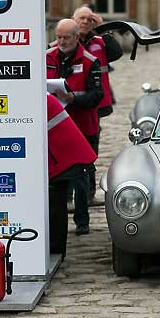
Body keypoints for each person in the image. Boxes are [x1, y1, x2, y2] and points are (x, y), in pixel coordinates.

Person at [46, 19, 103, 235]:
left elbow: (96, 95)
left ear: (76, 37)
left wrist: (72, 98)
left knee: (80, 176)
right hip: (53, 128)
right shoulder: (46, 57)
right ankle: (53, 219)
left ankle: (82, 221)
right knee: (53, 177)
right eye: (58, 37)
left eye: (66, 37)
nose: (61, 41)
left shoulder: (90, 61)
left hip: (80, 127)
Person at [72, 5, 123, 200]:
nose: (85, 22)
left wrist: (103, 28)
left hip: (95, 104)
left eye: (89, 19)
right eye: (81, 18)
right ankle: (68, 195)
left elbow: (117, 53)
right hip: (71, 105)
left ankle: (89, 194)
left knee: (90, 148)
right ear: (73, 21)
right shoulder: (66, 41)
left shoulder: (100, 42)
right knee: (68, 148)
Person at [47, 93, 97, 258]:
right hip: (61, 153)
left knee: (57, 201)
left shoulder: (40, 98)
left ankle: (56, 249)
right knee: (57, 201)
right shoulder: (43, 95)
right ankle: (55, 248)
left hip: (64, 155)